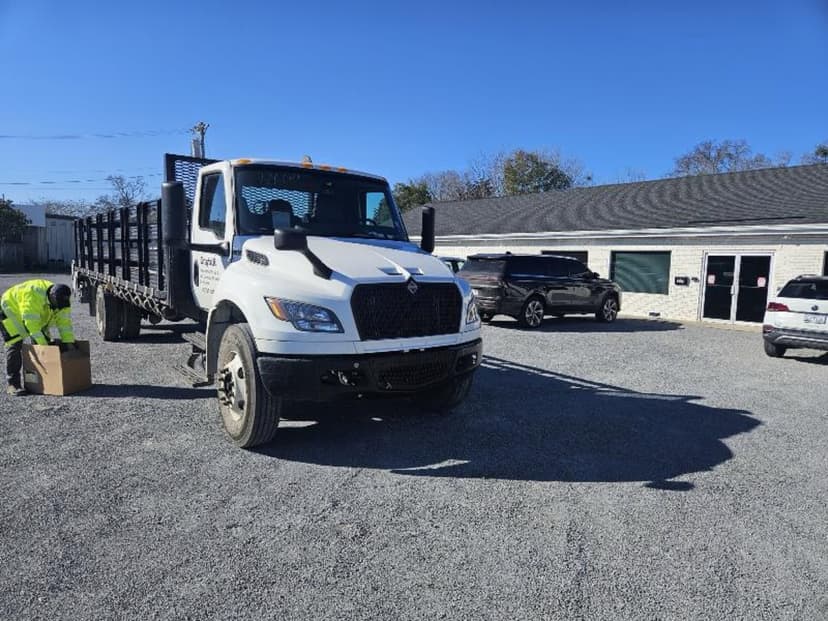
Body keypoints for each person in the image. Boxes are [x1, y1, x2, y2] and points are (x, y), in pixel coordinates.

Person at [0, 279, 76, 396]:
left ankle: (39, 382)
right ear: (51, 298)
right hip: (10, 310)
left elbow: (64, 324)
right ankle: (13, 384)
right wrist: (44, 347)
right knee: (14, 344)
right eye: (56, 306)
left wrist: (69, 343)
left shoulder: (62, 300)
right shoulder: (33, 295)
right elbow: (32, 325)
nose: (58, 309)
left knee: (41, 343)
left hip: (35, 315)